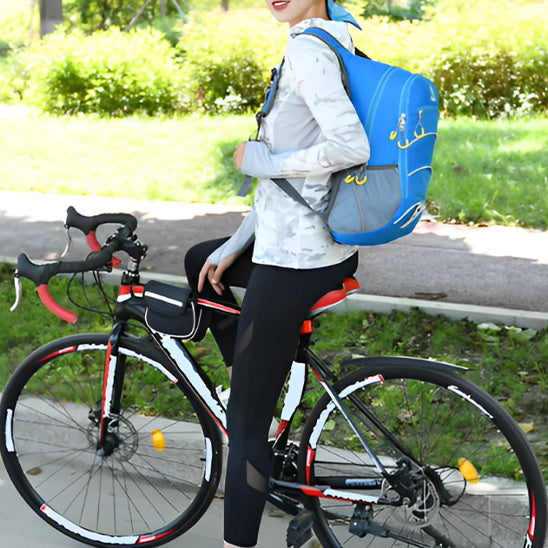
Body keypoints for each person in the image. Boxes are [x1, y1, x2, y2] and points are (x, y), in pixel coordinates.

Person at [184, 1, 370, 546]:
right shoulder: (334, 41)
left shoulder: (308, 50)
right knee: (201, 261)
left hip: (297, 260)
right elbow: (284, 188)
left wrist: (261, 160)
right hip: (312, 242)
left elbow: (348, 146)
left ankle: (255, 405)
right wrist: (236, 244)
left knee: (244, 426)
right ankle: (263, 372)